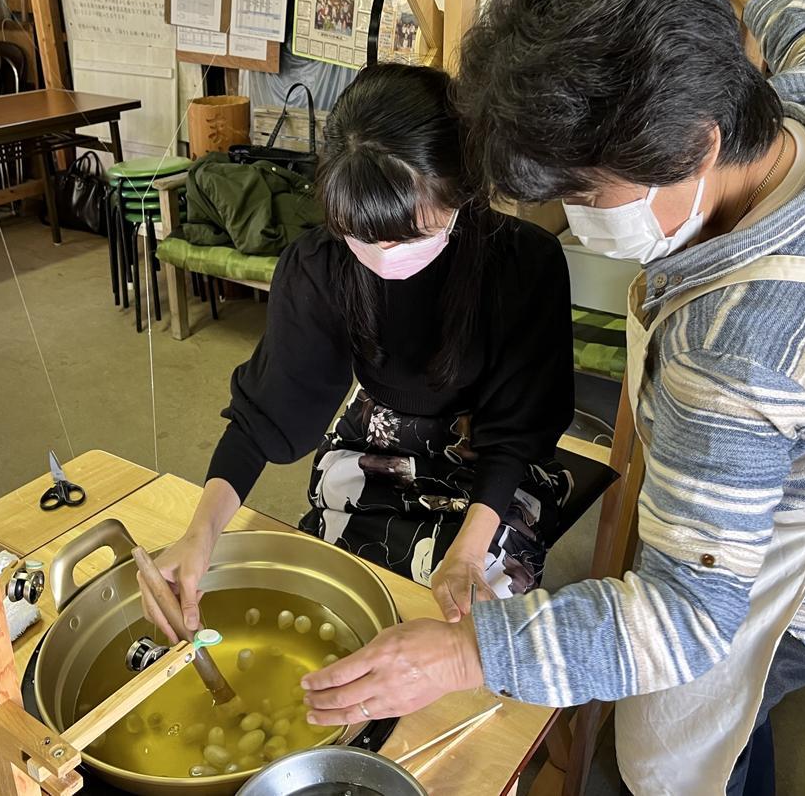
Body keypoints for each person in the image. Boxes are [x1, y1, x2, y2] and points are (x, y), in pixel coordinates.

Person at [300, 0, 805, 795]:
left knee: (674, 752)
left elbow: (691, 617)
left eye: (585, 192)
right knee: (735, 719)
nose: (574, 222)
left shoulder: (733, 353)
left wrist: (469, 652)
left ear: (699, 143)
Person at [139, 62, 595, 636]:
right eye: (363, 235)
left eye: (412, 235)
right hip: (377, 434)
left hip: (491, 454)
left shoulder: (524, 266)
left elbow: (516, 432)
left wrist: (468, 553)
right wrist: (198, 533)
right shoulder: (319, 264)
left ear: (463, 189)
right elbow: (270, 411)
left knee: (465, 622)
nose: (384, 253)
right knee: (336, 586)